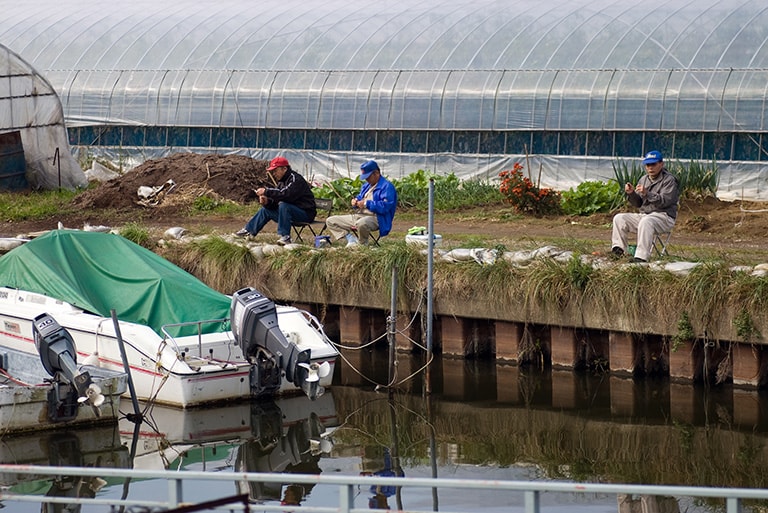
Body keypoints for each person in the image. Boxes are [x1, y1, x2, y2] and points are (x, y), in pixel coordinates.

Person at [610, 150, 679, 263]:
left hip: (664, 217)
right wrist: (631, 193)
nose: (650, 167)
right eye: (648, 164)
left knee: (646, 221)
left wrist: (647, 193)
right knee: (619, 218)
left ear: (661, 164)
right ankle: (618, 250)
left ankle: (641, 257)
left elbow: (665, 202)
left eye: (654, 164)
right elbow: (638, 204)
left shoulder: (669, 180)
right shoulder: (643, 179)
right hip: (646, 215)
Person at [234, 156, 316, 245]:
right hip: (290, 213)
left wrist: (266, 191)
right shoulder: (282, 182)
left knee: (284, 205)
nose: (273, 174)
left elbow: (285, 195)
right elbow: (277, 200)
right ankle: (248, 231)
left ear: (284, 169)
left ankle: (285, 237)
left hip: (305, 214)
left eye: (275, 171)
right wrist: (267, 202)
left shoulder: (296, 179)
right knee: (266, 210)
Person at [325, 160, 397, 247]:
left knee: (361, 223)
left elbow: (385, 207)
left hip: (377, 218)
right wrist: (355, 202)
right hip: (359, 215)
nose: (366, 179)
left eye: (368, 177)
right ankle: (351, 240)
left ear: (376, 173)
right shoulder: (366, 186)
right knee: (331, 221)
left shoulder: (387, 186)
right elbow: (359, 198)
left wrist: (366, 204)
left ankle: (362, 244)